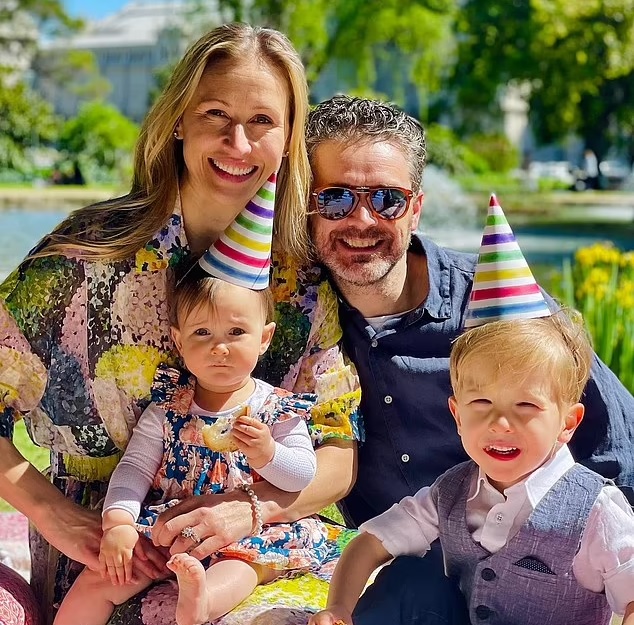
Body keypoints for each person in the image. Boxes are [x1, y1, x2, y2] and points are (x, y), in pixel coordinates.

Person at [0, 24, 360, 625]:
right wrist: (51, 512)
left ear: (289, 138)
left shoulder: (300, 282)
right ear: (178, 121)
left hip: (264, 553)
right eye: (215, 113)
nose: (238, 142)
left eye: (263, 121)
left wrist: (250, 508)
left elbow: (338, 452)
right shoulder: (81, 260)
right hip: (112, 563)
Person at [302, 95, 634, 624]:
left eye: (387, 199)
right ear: (307, 204)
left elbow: (619, 453)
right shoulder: (301, 319)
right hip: (410, 591)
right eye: (336, 197)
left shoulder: (511, 321)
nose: (361, 219)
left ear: (415, 208)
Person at [310, 310, 634, 625]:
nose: (500, 423)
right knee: (411, 577)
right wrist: (338, 607)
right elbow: (370, 544)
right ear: (458, 415)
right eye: (481, 403)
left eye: (526, 405)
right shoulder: (452, 491)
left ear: (568, 423)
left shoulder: (595, 510)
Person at [55, 252, 328, 625]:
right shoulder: (169, 407)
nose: (219, 347)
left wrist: (268, 453)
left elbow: (301, 475)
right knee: (103, 578)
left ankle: (200, 600)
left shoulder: (275, 409)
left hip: (245, 534)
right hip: (169, 526)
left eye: (236, 333)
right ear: (179, 341)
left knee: (242, 568)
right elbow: (135, 466)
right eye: (202, 333)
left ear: (264, 338)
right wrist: (118, 522)